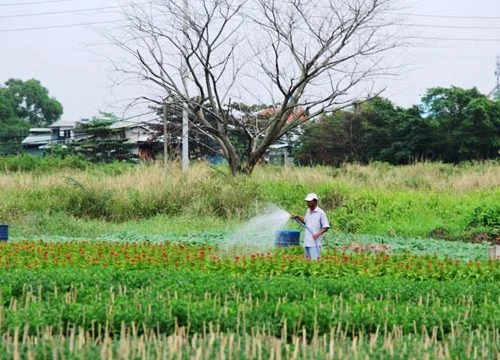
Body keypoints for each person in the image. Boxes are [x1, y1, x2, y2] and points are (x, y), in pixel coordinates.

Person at [291, 193, 330, 261]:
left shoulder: (321, 213)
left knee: (315, 262)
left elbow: (326, 227)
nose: (307, 203)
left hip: (315, 243)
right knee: (308, 262)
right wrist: (297, 217)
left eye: (309, 201)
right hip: (307, 242)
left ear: (315, 201)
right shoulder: (308, 211)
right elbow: (305, 221)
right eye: (307, 201)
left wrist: (317, 234)